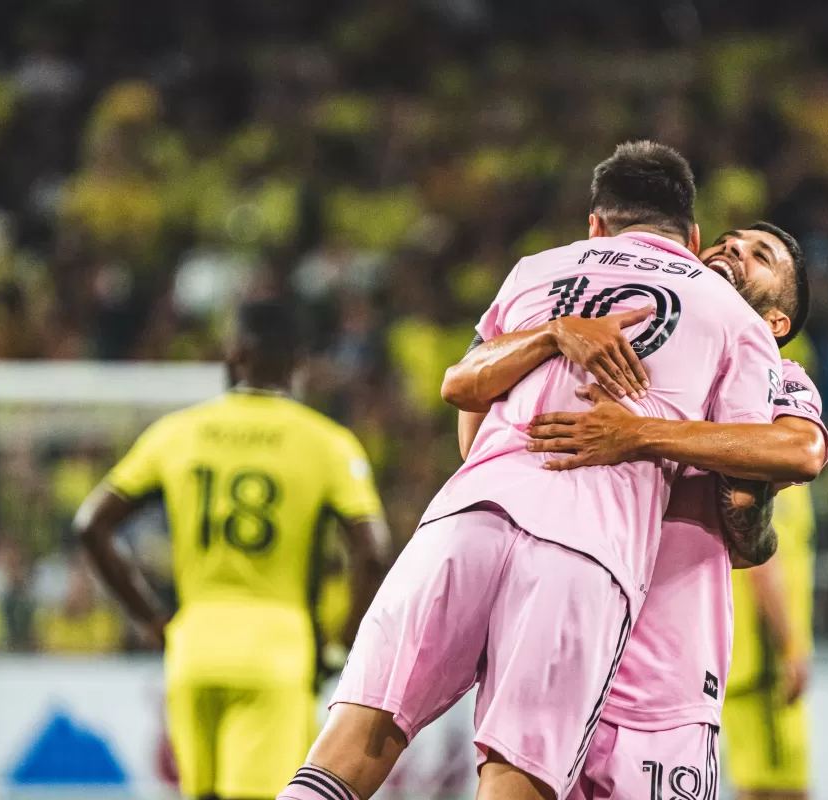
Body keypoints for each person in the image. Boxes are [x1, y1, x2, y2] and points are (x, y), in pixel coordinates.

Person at [279, 141, 782, 800]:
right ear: (691, 236)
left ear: (596, 225)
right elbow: (742, 485)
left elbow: (468, 419)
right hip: (586, 552)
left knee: (349, 747)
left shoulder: (535, 271)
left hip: (467, 516)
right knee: (514, 777)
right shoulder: (735, 319)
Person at [451, 224, 827, 800]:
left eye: (760, 255)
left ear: (776, 324)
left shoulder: (779, 378)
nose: (733, 250)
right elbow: (474, 430)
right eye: (727, 240)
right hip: (557, 634)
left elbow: (800, 450)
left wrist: (639, 435)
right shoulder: (620, 346)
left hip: (657, 673)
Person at [73, 301, 389, 800]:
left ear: (232, 353)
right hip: (278, 651)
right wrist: (340, 647)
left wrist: (151, 619)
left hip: (193, 647)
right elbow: (371, 552)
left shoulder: (177, 433)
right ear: (298, 362)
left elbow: (91, 525)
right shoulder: (327, 443)